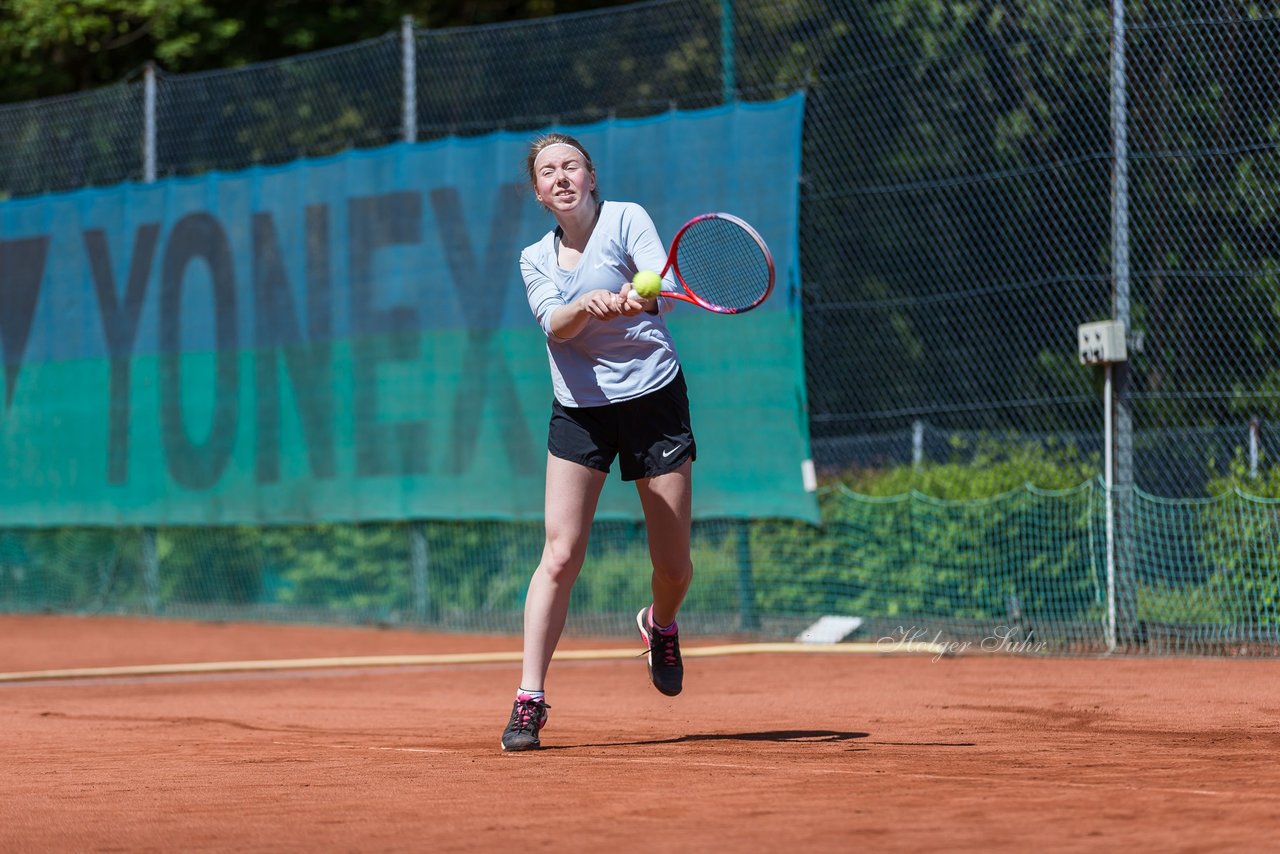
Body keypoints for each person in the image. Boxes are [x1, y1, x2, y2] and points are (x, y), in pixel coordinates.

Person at [501, 132, 696, 751]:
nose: (561, 177)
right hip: (581, 411)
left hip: (653, 399)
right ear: (537, 192)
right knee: (559, 554)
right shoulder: (535, 258)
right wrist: (586, 303)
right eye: (548, 172)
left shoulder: (626, 218)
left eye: (571, 166)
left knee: (673, 565)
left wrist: (640, 292)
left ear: (590, 177)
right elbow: (554, 325)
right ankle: (529, 699)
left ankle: (659, 625)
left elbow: (655, 278)